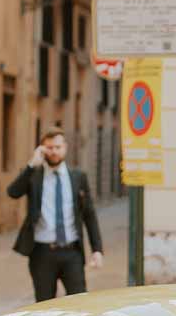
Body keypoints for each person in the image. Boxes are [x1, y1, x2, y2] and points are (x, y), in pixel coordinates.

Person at [7, 128, 104, 302]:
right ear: (42, 149)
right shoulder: (34, 176)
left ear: (65, 147)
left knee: (80, 304)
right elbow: (13, 192)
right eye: (49, 147)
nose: (54, 151)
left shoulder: (78, 177)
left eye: (58, 147)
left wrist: (97, 249)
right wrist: (31, 165)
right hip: (42, 253)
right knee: (45, 307)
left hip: (72, 253)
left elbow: (89, 214)